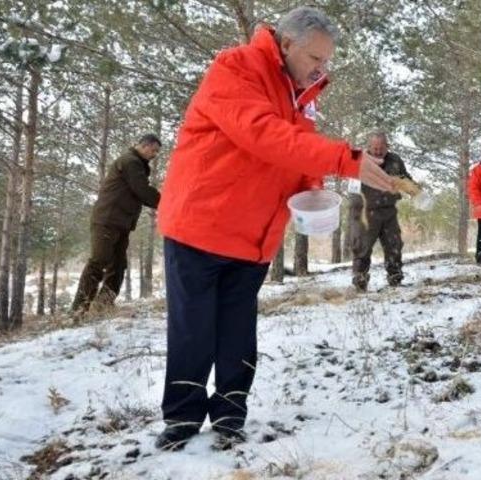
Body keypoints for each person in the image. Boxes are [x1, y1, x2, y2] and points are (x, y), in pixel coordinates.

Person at [154, 7, 394, 451]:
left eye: (326, 62)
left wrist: (314, 189)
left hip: (255, 235)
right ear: (286, 44)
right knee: (193, 328)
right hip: (201, 225)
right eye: (315, 59)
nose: (321, 69)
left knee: (238, 330)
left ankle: (230, 413)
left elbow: (295, 154)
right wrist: (344, 159)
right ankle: (183, 417)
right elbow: (262, 134)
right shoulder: (236, 68)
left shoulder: (302, 92)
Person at [70, 134, 161, 316]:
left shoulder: (136, 164)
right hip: (107, 220)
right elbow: (142, 190)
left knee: (118, 265)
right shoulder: (130, 162)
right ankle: (78, 309)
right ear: (144, 146)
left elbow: (139, 191)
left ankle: (103, 305)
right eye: (154, 150)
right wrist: (169, 203)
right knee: (99, 261)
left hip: (120, 222)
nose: (155, 155)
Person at [351, 132, 414, 291]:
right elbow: (351, 185)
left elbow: (404, 179)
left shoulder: (395, 160)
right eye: (375, 148)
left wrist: (415, 191)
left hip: (388, 211)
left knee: (394, 245)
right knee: (362, 248)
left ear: (387, 146)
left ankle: (395, 278)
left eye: (381, 148)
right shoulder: (358, 160)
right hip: (367, 212)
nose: (378, 151)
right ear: (369, 146)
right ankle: (360, 280)